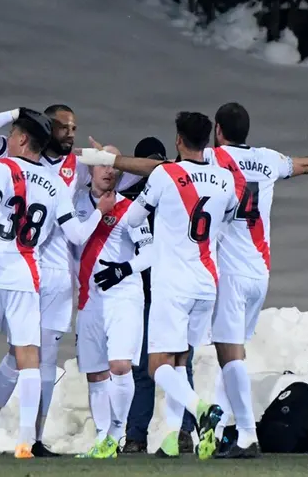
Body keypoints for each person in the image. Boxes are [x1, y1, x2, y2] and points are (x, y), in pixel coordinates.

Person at [81, 103, 308, 458]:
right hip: (256, 270)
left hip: (217, 274)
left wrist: (110, 160)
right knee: (209, 355)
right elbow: (304, 165)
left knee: (191, 360)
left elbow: (159, 171)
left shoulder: (213, 159)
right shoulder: (267, 160)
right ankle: (187, 436)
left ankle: (233, 428)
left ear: (218, 132)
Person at [0, 104, 135, 456]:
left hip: (46, 274)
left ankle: (30, 437)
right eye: (64, 127)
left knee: (36, 358)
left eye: (74, 128)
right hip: (29, 267)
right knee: (20, 357)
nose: (70, 133)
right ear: (47, 130)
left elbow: (119, 180)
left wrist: (108, 160)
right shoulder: (29, 168)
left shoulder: (72, 163)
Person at [79, 111, 238, 460]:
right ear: (208, 141)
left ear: (178, 140)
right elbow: (228, 216)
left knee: (156, 366)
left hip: (173, 283)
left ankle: (201, 409)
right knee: (181, 361)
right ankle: (172, 439)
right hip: (206, 282)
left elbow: (134, 217)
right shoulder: (224, 178)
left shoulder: (166, 175)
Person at [71, 145, 154, 459]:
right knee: (95, 373)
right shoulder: (75, 203)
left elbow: (151, 251)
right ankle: (101, 437)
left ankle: (116, 434)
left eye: (114, 166)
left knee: (120, 366)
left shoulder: (131, 209)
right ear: (90, 169)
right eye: (102, 164)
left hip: (124, 296)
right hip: (89, 298)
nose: (109, 171)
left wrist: (124, 269)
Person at [119, 137, 196, 455]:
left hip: (169, 291)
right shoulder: (134, 200)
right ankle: (142, 435)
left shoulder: (165, 197)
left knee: (175, 364)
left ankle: (179, 433)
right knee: (151, 367)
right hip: (153, 293)